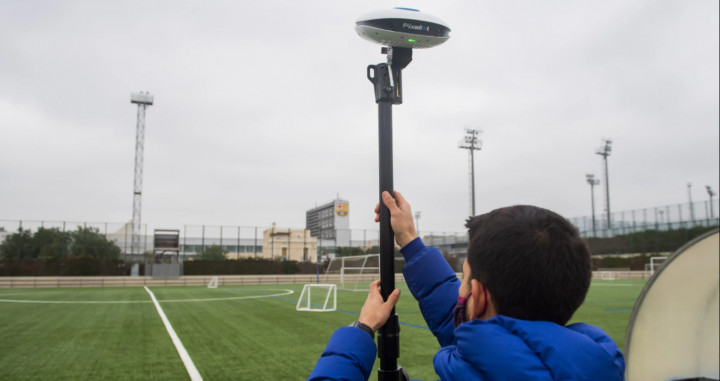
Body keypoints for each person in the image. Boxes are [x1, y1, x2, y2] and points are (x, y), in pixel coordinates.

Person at [308, 191, 625, 380]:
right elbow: (474, 325)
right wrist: (409, 241)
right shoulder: (595, 365)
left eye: (463, 278)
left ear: (478, 297)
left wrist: (362, 329)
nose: (460, 287)